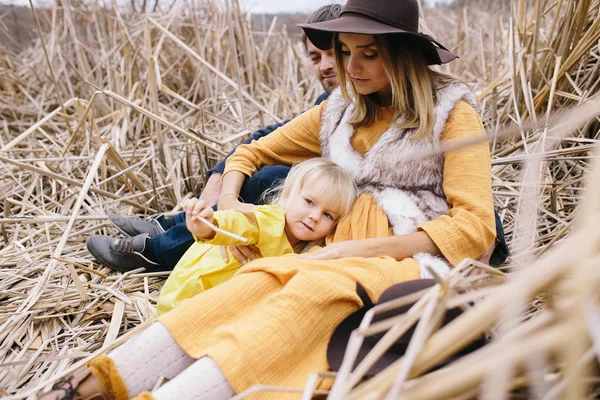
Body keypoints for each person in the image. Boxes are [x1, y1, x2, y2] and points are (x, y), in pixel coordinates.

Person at [39, 0, 498, 399]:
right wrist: (230, 204)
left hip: (405, 261)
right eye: (345, 52)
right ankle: (93, 384)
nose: (350, 66)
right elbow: (253, 151)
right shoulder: (340, 108)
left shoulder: (449, 115)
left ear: (402, 55)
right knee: (257, 279)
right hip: (331, 250)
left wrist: (356, 249)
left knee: (310, 296)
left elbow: (476, 225)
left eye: (368, 54)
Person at [85, 4, 343, 273]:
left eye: (334, 53)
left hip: (328, 208)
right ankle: (173, 224)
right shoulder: (327, 104)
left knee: (272, 179)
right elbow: (267, 137)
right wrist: (220, 176)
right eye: (315, 57)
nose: (325, 65)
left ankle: (156, 252)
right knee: (259, 168)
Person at [157, 158, 357, 314]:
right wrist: (207, 226)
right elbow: (237, 224)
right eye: (309, 202)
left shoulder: (307, 248)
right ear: (289, 194)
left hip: (219, 306)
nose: (314, 216)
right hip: (187, 299)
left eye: (327, 215)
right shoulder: (270, 220)